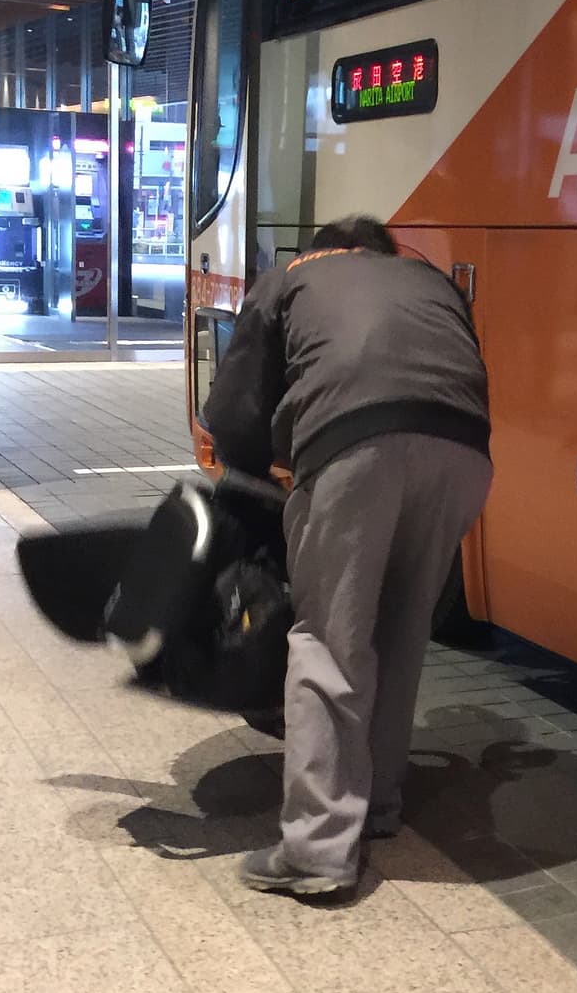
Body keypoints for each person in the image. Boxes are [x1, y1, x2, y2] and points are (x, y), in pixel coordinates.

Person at [203, 216, 492, 896]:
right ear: (382, 253)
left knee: (329, 642)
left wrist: (253, 502)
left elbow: (234, 415)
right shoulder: (430, 281)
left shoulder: (290, 280)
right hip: (464, 455)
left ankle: (317, 849)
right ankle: (381, 807)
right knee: (399, 631)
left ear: (322, 249)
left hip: (358, 446)